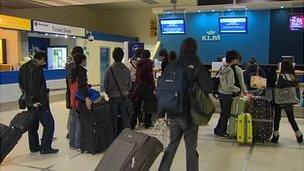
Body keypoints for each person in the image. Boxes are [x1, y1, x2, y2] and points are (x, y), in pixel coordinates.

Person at [158, 38, 214, 171]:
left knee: (172, 146)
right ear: (195, 49)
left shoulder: (172, 64)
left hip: (173, 111)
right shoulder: (195, 64)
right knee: (191, 149)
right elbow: (208, 86)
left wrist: (161, 113)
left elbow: (162, 89)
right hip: (189, 114)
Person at [18, 51, 59, 154]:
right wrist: (33, 102)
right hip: (38, 102)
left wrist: (28, 101)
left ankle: (34, 147)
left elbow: (21, 84)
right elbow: (34, 86)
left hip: (29, 101)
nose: (44, 63)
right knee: (49, 124)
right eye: (44, 61)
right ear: (41, 59)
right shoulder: (36, 69)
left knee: (33, 125)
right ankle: (45, 147)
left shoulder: (24, 67)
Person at [271, 60, 303, 144]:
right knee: (291, 118)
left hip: (280, 100)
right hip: (289, 100)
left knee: (277, 118)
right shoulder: (294, 77)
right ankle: (299, 135)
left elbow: (278, 86)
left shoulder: (282, 76)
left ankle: (275, 136)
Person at [104, 47, 132, 136]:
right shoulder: (126, 69)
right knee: (125, 117)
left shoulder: (109, 70)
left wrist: (109, 93)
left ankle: (114, 136)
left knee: (113, 118)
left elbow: (105, 85)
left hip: (113, 97)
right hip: (124, 96)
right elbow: (130, 85)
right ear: (122, 56)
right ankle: (126, 135)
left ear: (113, 56)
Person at [214, 50, 241, 137]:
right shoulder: (230, 71)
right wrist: (238, 89)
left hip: (220, 92)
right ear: (233, 60)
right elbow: (230, 85)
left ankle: (218, 129)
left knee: (223, 113)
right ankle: (222, 131)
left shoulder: (222, 68)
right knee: (225, 114)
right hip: (227, 94)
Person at [69, 52, 91, 150]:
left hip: (72, 98)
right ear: (82, 61)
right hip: (80, 98)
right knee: (79, 121)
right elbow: (82, 86)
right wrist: (86, 98)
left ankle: (72, 142)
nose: (86, 61)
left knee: (73, 121)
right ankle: (78, 143)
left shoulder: (71, 71)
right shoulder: (82, 72)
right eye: (85, 60)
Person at [131, 49, 155, 129]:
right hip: (147, 87)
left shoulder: (138, 63)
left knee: (136, 106)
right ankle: (147, 123)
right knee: (148, 105)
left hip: (138, 86)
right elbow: (150, 76)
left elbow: (137, 76)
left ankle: (133, 124)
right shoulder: (149, 63)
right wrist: (153, 85)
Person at [66, 46, 84, 139]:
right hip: (76, 94)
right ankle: (74, 135)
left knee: (72, 114)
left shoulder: (69, 66)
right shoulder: (76, 68)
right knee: (75, 115)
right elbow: (76, 84)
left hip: (71, 94)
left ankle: (71, 132)